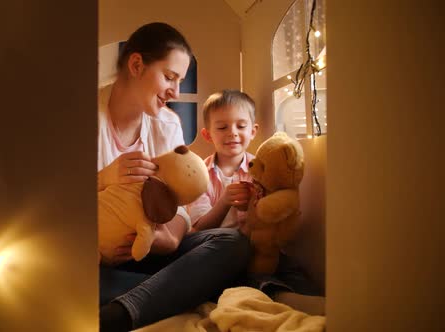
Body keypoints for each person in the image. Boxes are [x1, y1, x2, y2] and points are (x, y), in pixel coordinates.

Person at [98, 23, 249, 331]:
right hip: (95, 257)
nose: (176, 92)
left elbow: (181, 207)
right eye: (169, 77)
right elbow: (54, 203)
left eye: (179, 81)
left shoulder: (167, 124)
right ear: (137, 65)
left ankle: (124, 308)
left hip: (149, 251)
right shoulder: (84, 115)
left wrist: (169, 238)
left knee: (233, 243)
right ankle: (171, 291)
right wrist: (103, 177)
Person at [187, 89, 325, 315]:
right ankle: (279, 297)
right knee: (242, 281)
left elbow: (276, 211)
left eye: (241, 126)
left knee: (289, 266)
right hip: (223, 255)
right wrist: (224, 202)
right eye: (222, 127)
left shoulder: (263, 169)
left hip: (263, 249)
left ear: (253, 131)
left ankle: (316, 300)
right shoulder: (200, 174)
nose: (232, 133)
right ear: (208, 135)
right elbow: (199, 228)